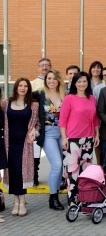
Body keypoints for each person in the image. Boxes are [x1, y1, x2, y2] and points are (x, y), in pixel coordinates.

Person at [59, 72, 100, 204]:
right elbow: (62, 120)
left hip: (88, 138)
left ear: (88, 83)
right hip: (72, 139)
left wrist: (96, 134)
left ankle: (85, 198)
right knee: (73, 171)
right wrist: (64, 138)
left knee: (86, 170)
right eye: (79, 82)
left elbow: (95, 119)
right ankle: (73, 200)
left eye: (84, 81)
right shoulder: (69, 98)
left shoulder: (92, 98)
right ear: (74, 83)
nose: (82, 84)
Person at [3, 78, 40, 216]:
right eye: (20, 85)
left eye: (25, 86)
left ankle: (22, 201)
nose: (23, 88)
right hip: (9, 143)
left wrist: (34, 131)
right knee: (12, 172)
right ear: (16, 87)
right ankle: (16, 202)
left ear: (28, 88)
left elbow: (38, 124)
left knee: (22, 172)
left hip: (25, 144)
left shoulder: (33, 105)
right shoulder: (7, 103)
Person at [37, 71, 65, 210]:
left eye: (54, 78)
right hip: (48, 134)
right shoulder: (40, 94)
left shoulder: (64, 95)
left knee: (61, 165)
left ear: (58, 80)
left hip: (63, 133)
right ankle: (52, 197)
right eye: (49, 78)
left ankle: (56, 193)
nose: (51, 81)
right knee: (57, 164)